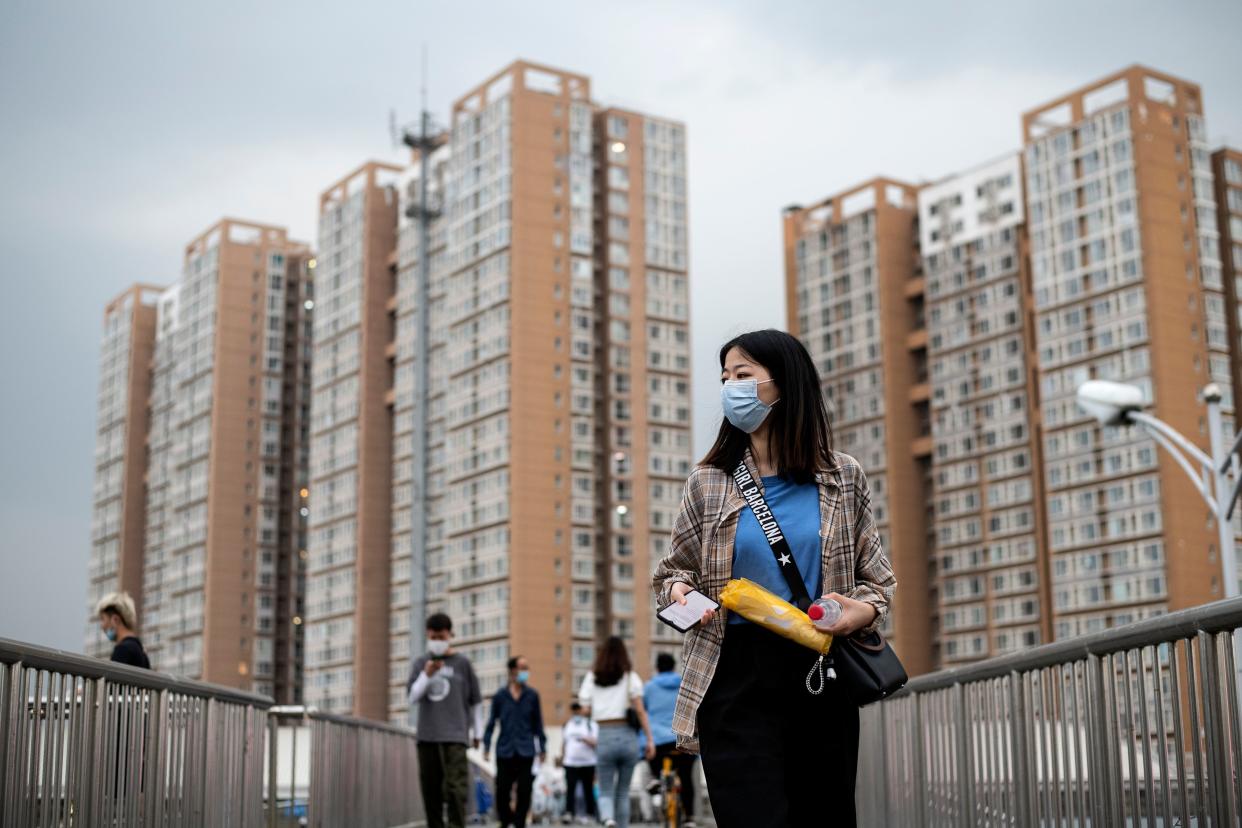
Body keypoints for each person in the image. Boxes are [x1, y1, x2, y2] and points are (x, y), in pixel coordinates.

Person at [651, 329, 897, 828]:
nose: (730, 388)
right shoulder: (708, 481)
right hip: (733, 673)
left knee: (821, 815)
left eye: (743, 375)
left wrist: (859, 612)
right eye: (725, 378)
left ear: (785, 384)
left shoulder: (843, 477)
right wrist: (681, 593)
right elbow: (672, 571)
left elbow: (878, 582)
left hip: (818, 673)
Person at [407, 613, 484, 828]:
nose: (437, 641)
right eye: (433, 637)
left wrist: (478, 733)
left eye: (441, 637)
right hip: (427, 736)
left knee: (455, 790)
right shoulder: (421, 663)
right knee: (431, 792)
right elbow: (412, 697)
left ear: (450, 635)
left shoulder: (463, 664)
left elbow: (476, 701)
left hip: (455, 736)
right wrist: (427, 675)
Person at [577, 636, 654, 828]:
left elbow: (584, 708)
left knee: (605, 789)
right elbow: (640, 711)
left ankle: (608, 819)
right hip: (628, 737)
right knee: (623, 791)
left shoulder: (592, 677)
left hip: (605, 735)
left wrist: (599, 705)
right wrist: (650, 740)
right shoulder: (630, 677)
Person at [482, 655, 547, 828]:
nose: (525, 672)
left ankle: (519, 823)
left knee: (525, 790)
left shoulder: (532, 696)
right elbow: (491, 723)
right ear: (512, 670)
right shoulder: (500, 696)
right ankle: (505, 820)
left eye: (527, 668)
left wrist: (542, 749)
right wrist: (486, 746)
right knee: (502, 790)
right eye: (522, 667)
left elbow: (538, 725)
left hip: (526, 750)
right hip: (505, 750)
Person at [643, 653, 697, 827]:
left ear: (657, 667)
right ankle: (689, 818)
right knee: (686, 778)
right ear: (674, 667)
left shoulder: (649, 687)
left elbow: (643, 712)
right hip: (683, 737)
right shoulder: (683, 683)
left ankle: (656, 780)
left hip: (658, 741)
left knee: (651, 755)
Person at [560, 701, 598, 823]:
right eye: (574, 710)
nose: (576, 713)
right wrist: (563, 758)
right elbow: (564, 743)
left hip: (588, 763)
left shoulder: (591, 724)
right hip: (570, 763)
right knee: (570, 789)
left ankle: (590, 814)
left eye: (578, 710)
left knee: (588, 790)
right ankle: (569, 813)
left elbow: (596, 743)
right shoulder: (567, 725)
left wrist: (586, 740)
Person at [96, 591, 150, 669]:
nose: (102, 626)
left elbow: (113, 679)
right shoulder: (141, 651)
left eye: (103, 619)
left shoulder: (122, 650)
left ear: (115, 620)